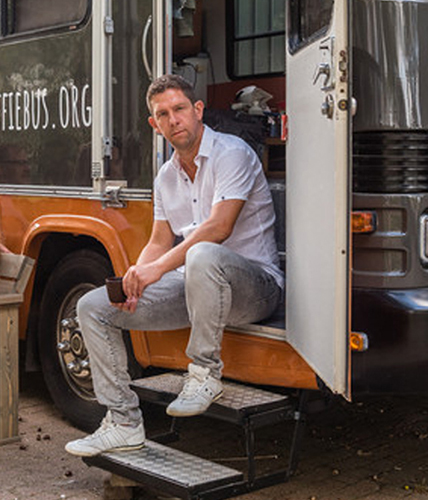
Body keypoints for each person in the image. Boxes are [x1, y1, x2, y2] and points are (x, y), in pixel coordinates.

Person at [65, 75, 283, 457]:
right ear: (154, 124)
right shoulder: (166, 175)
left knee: (202, 252)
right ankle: (122, 423)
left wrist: (157, 269)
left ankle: (203, 374)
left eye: (180, 109)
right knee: (92, 307)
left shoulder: (231, 153)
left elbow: (219, 228)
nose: (173, 119)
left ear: (198, 111)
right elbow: (159, 240)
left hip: (255, 288)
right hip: (194, 290)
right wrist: (135, 278)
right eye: (162, 114)